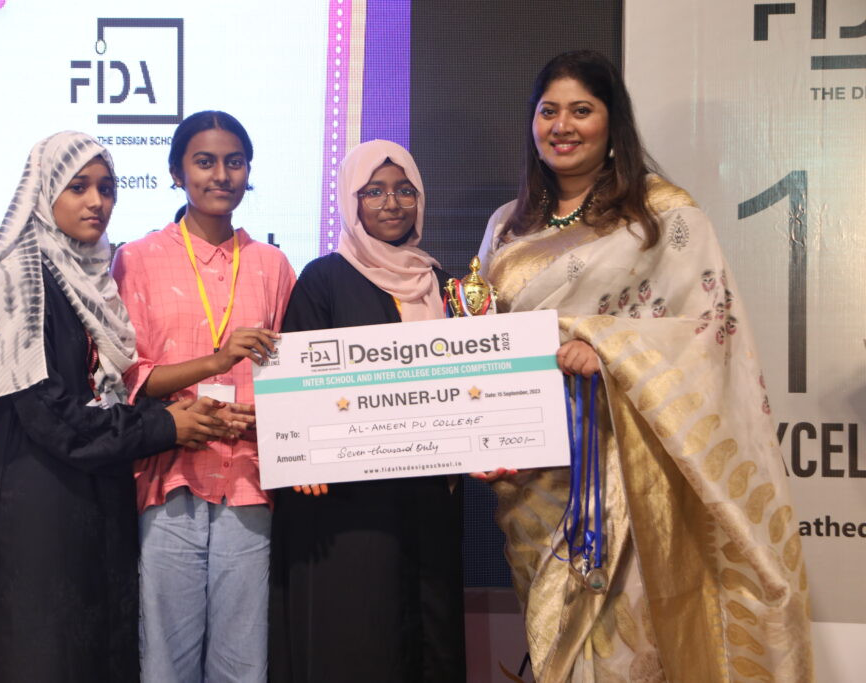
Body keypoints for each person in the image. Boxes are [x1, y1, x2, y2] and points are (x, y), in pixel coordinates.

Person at [476, 51, 813, 682]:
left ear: (612, 124)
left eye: (582, 110)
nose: (563, 125)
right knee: (552, 640)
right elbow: (485, 341)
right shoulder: (506, 226)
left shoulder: (660, 217)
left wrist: (603, 348)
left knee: (623, 646)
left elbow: (709, 331)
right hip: (534, 474)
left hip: (625, 467)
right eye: (548, 111)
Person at [0, 131, 230, 683]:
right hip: (39, 506)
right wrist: (164, 424)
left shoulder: (89, 278)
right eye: (78, 188)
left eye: (107, 188)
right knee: (41, 655)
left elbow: (100, 397)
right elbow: (50, 415)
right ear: (45, 191)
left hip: (95, 496)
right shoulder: (20, 277)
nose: (97, 202)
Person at [269, 139, 466, 683]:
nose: (391, 203)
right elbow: (299, 383)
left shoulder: (443, 284)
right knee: (364, 639)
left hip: (430, 496)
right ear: (351, 202)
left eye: (405, 190)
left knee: (432, 635)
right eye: (373, 191)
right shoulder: (324, 278)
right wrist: (304, 456)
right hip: (352, 504)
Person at [111, 110, 295, 683]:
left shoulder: (273, 265)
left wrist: (261, 417)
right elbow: (125, 374)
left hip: (249, 477)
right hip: (168, 475)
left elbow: (295, 378)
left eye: (234, 162)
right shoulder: (137, 259)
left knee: (244, 662)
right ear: (176, 171)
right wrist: (212, 368)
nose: (222, 175)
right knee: (165, 658)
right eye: (205, 161)